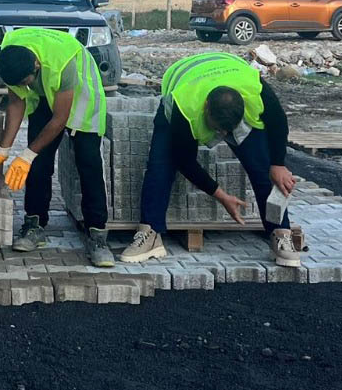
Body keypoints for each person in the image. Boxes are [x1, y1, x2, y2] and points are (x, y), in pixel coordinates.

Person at [120, 52, 305, 268]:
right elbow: (185, 160)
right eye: (217, 129)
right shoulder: (184, 107)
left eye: (227, 131)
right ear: (206, 107)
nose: (221, 136)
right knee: (160, 164)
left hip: (230, 70)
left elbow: (279, 122)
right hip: (184, 82)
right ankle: (149, 232)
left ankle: (279, 232)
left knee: (264, 166)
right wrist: (221, 195)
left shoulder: (255, 89)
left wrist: (278, 164)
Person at [0, 27, 113, 267]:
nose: (23, 86)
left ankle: (98, 235)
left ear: (36, 66)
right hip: (46, 89)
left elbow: (60, 119)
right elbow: (17, 103)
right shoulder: (12, 57)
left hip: (79, 88)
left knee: (88, 160)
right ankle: (34, 225)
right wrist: (4, 150)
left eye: (25, 82)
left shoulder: (64, 63)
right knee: (39, 162)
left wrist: (27, 155)